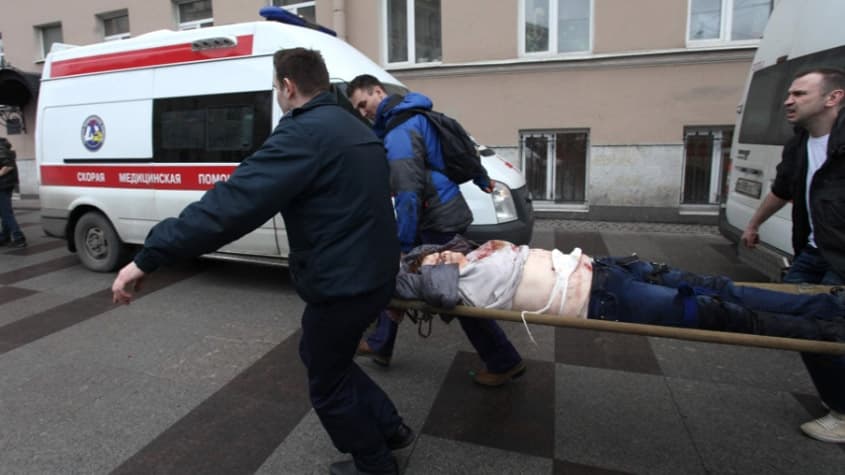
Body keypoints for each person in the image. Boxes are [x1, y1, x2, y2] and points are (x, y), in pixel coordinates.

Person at [112, 48, 412, 475]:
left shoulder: (304, 134)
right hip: (374, 271)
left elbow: (230, 207)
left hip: (343, 282)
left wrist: (148, 257)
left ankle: (375, 462)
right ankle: (390, 427)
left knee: (326, 382)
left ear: (288, 86)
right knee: (324, 355)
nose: (277, 94)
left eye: (276, 87)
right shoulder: (352, 124)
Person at [396, 237, 845, 444]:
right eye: (427, 260)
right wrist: (428, 265)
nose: (438, 256)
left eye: (431, 252)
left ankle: (826, 308)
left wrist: (444, 250)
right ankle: (830, 332)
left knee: (722, 290)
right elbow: (426, 289)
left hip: (609, 268)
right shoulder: (447, 285)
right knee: (724, 316)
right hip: (608, 297)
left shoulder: (468, 255)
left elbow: (451, 245)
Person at [345, 74, 526, 387]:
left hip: (435, 220)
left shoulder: (400, 130)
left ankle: (503, 359)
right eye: (357, 110)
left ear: (378, 91)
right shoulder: (417, 116)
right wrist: (482, 179)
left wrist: (403, 241)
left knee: (457, 291)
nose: (363, 113)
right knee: (399, 276)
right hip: (441, 212)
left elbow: (407, 192)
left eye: (364, 104)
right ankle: (381, 344)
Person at [741, 68, 845, 285]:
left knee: (823, 315)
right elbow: (781, 191)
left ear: (833, 98)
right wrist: (753, 225)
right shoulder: (797, 145)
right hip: (812, 252)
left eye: (799, 94)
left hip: (840, 259)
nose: (788, 102)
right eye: (789, 95)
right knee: (784, 305)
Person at [0, 138, 26, 248]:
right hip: (7, 185)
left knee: (6, 213)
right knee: (5, 212)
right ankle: (4, 237)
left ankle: (19, 237)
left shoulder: (1, 150)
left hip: (2, 185)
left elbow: (7, 167)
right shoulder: (6, 149)